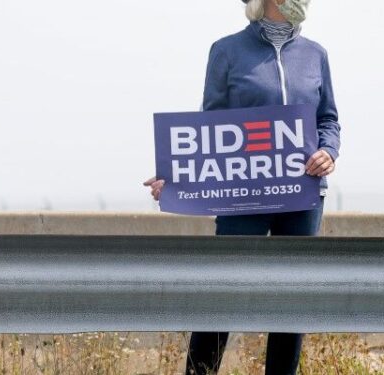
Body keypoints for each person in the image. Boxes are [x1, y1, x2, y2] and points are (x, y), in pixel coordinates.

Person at [144, 0, 340, 374]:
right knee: (223, 291)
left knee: (292, 299)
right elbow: (209, 129)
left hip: (303, 195)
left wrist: (328, 151)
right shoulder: (227, 50)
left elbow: (328, 118)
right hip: (243, 195)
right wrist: (178, 179)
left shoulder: (316, 55)